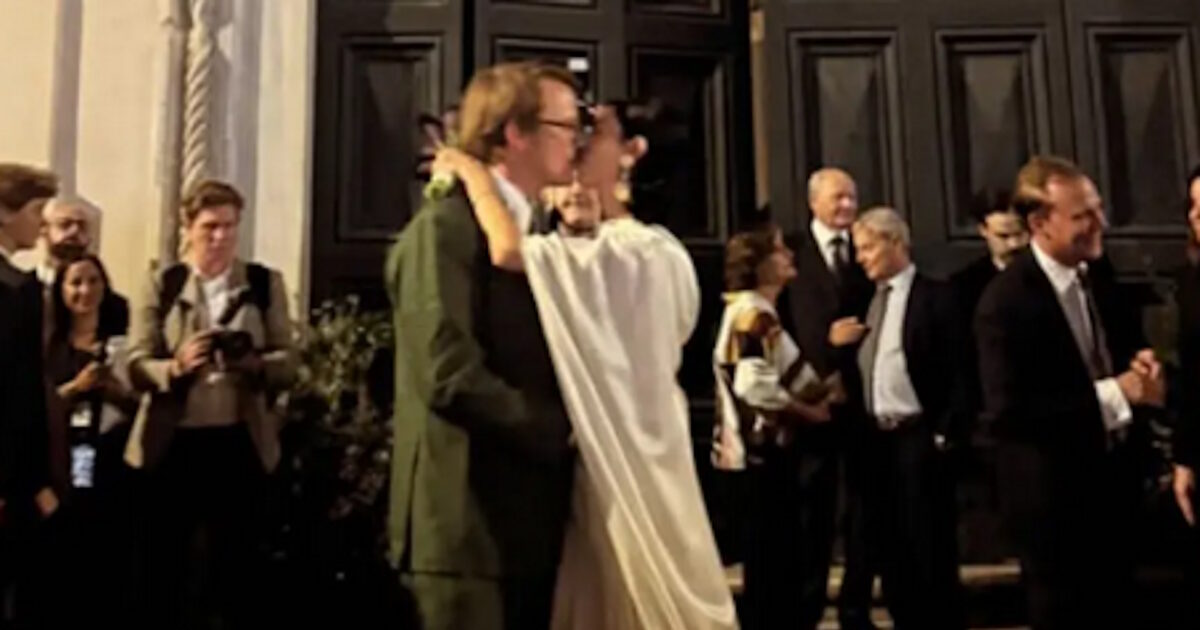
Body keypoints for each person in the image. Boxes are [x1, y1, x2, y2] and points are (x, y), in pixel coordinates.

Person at [429, 99, 737, 629]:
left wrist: (473, 171)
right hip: (624, 462)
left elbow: (508, 250)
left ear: (632, 153)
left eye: (596, 132)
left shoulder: (632, 253)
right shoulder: (649, 251)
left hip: (630, 466)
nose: (578, 142)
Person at [385, 61, 579, 630]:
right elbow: (447, 370)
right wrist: (556, 429)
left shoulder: (533, 235)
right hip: (465, 529)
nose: (576, 140)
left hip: (527, 525)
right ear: (516, 133)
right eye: (565, 126)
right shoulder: (445, 230)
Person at [975, 155, 1166, 629]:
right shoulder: (1005, 302)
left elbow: (1120, 346)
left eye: (1097, 209)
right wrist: (1116, 394)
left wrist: (1142, 363)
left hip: (1115, 493)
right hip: (1053, 509)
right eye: (1083, 215)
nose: (1101, 223)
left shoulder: (1097, 274)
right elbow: (1010, 412)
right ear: (1040, 224)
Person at [126, 179, 297, 629]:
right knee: (165, 569)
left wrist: (254, 363)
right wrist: (176, 366)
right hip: (174, 443)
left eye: (228, 226)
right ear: (188, 228)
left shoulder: (262, 283)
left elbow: (290, 361)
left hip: (238, 439)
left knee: (237, 567)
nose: (220, 237)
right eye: (209, 227)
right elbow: (135, 363)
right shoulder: (162, 284)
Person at [711, 223, 839, 630]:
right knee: (772, 566)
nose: (789, 257)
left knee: (775, 563)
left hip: (762, 456)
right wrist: (808, 411)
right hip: (761, 456)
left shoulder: (760, 312)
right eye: (780, 251)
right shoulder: (753, 313)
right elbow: (754, 386)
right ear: (760, 264)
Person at [851, 207, 967, 629]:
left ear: (895, 243)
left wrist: (945, 432)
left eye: (868, 248)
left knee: (927, 542)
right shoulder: (864, 298)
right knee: (891, 544)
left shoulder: (938, 296)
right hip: (876, 441)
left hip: (919, 435)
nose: (861, 258)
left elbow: (960, 370)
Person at [778, 167, 874, 630]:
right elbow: (779, 330)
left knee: (862, 513)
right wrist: (823, 353)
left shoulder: (866, 250)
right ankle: (805, 610)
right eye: (838, 198)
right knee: (810, 516)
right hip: (809, 409)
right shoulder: (790, 256)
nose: (847, 207)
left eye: (852, 198)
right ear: (813, 202)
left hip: (861, 404)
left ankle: (856, 609)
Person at [31, 253, 139, 627]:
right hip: (63, 468)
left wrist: (116, 390)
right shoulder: (47, 349)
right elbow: (36, 407)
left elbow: (143, 406)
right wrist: (76, 387)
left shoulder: (122, 344)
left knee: (110, 568)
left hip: (113, 465)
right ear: (61, 290)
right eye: (75, 283)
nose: (85, 291)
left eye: (93, 281)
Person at [0, 163, 60, 627]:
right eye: (37, 210)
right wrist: (32, 481)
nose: (42, 224)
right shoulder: (17, 291)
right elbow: (18, 395)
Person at [1174, 164, 1200, 529]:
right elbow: (1193, 377)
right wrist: (1185, 458)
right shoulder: (1192, 283)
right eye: (1193, 205)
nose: (1196, 215)